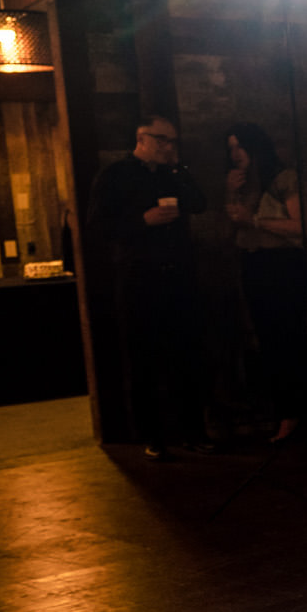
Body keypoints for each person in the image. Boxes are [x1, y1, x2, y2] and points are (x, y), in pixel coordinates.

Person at [90, 115, 207, 459]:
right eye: (163, 140)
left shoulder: (173, 173)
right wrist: (142, 220)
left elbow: (200, 203)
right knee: (144, 359)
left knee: (187, 356)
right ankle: (152, 435)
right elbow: (98, 227)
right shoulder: (114, 176)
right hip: (139, 276)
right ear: (142, 138)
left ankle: (193, 431)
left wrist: (179, 168)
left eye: (172, 141)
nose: (169, 147)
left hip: (179, 276)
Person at [224, 122, 307, 443]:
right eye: (231, 148)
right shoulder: (241, 183)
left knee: (291, 341)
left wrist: (256, 220)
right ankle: (285, 414)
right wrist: (230, 191)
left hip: (282, 265)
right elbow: (232, 228)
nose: (235, 154)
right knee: (269, 342)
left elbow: (299, 226)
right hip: (254, 263)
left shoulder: (283, 178)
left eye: (240, 147)